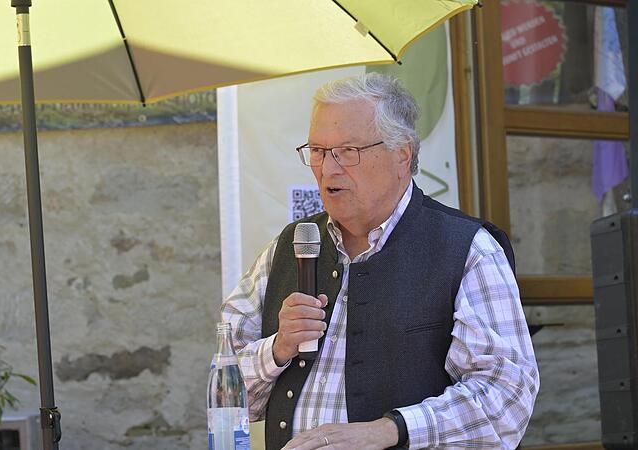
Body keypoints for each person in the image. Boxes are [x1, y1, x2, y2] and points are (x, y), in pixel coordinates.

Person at [220, 73, 539, 450]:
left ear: (401, 154)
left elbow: (505, 399)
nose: (328, 169)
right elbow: (224, 395)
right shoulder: (288, 248)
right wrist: (277, 348)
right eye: (318, 151)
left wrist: (389, 431)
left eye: (347, 151)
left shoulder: (468, 250)